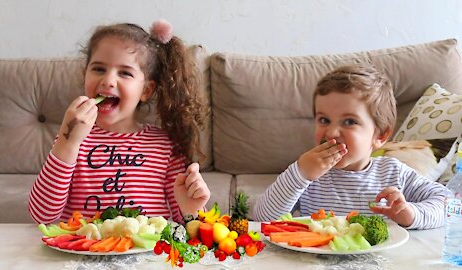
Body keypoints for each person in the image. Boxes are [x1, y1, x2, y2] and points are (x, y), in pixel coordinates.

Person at [28, 20, 210, 224]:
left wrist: (191, 209)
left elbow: (188, 224)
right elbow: (41, 215)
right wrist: (67, 141)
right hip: (83, 251)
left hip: (147, 253)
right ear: (84, 74)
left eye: (124, 73)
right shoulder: (72, 140)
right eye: (98, 69)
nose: (108, 80)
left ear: (146, 90)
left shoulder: (165, 146)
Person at [253, 64, 447, 229]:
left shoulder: (394, 173)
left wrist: (411, 213)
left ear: (379, 135)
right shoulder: (308, 174)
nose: (331, 133)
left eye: (349, 122)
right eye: (324, 120)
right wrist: (300, 174)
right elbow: (262, 218)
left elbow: (448, 204)